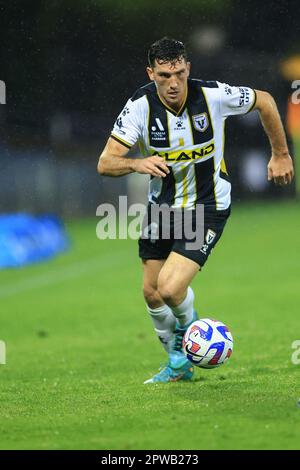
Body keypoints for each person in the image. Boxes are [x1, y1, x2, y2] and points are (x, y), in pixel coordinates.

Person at [97, 37, 294, 383]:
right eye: (163, 76)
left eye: (178, 73)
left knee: (171, 288)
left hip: (208, 205)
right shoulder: (140, 106)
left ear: (188, 69)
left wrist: (280, 153)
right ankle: (178, 363)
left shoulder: (213, 96)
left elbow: (264, 100)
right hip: (163, 209)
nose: (172, 84)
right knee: (151, 292)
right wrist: (138, 163)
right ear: (151, 73)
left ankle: (193, 335)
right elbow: (105, 163)